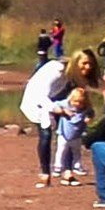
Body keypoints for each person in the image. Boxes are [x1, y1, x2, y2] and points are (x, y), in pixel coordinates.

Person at [24, 45, 85, 181]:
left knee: (67, 132)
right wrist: (57, 109)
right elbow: (40, 95)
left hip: (58, 98)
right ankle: (45, 172)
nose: (86, 68)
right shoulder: (56, 70)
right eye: (84, 64)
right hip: (37, 101)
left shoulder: (75, 74)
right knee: (45, 134)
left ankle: (67, 171)